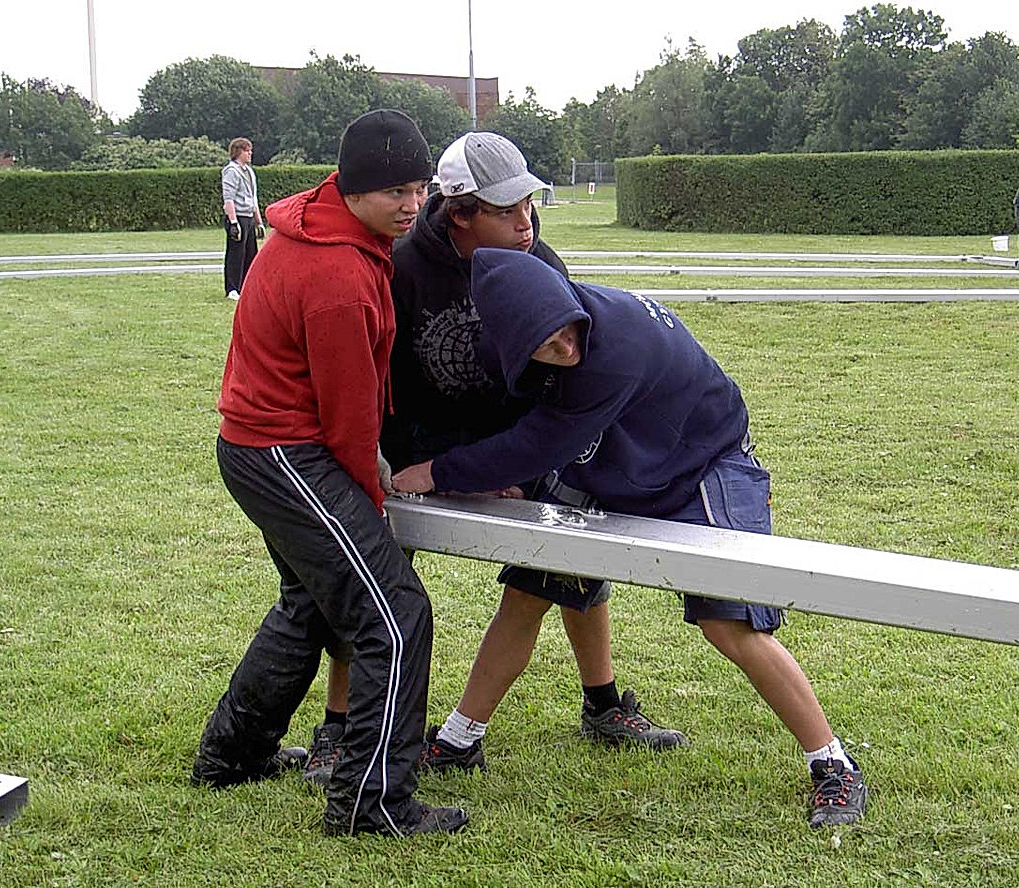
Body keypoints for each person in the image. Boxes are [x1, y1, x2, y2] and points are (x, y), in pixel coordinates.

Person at [392, 248, 870, 829]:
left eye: (566, 330)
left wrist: (439, 473)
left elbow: (534, 445)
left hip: (704, 461)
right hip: (613, 451)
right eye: (544, 343)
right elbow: (509, 423)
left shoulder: (615, 350)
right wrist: (492, 471)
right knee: (533, 587)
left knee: (730, 619)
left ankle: (833, 764)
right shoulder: (507, 345)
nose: (565, 345)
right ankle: (465, 739)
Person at [300, 132, 685, 780]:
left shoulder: (541, 262)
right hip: (411, 451)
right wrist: (404, 463)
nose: (524, 223)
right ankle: (338, 731)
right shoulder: (399, 268)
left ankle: (603, 705)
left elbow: (560, 385)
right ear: (459, 214)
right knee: (369, 582)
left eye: (529, 205)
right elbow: (371, 374)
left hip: (509, 450)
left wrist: (507, 468)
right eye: (506, 211)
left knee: (573, 555)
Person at [190, 109, 468, 838]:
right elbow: (349, 420)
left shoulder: (326, 223)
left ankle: (232, 755)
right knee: (396, 615)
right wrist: (370, 501)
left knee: (308, 605)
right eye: (396, 192)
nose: (413, 205)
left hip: (256, 448)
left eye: (420, 187)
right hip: (285, 452)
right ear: (354, 188)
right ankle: (372, 805)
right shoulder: (337, 273)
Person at [221, 137, 265, 301]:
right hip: (237, 216)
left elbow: (253, 199)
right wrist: (233, 222)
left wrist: (259, 222)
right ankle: (232, 288)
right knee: (236, 253)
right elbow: (229, 199)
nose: (250, 154)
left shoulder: (249, 172)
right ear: (239, 151)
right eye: (247, 151)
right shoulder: (231, 171)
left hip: (248, 216)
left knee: (250, 253)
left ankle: (247, 286)